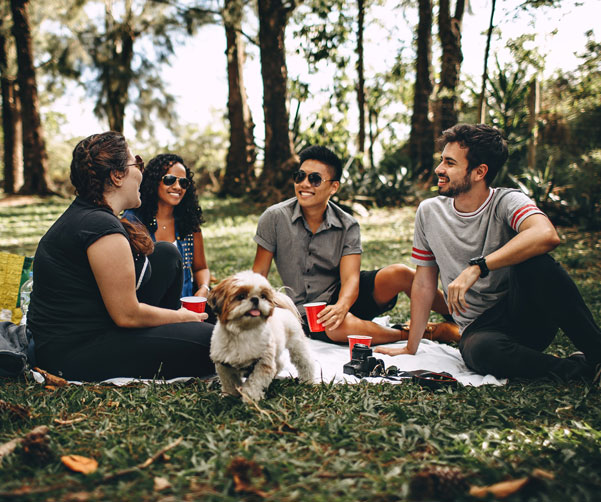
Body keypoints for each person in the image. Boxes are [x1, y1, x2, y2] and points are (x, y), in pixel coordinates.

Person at [376, 123, 601, 383]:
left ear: (479, 172)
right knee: (479, 352)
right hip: (480, 330)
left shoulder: (507, 201)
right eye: (442, 161)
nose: (439, 169)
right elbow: (424, 282)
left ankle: (597, 354)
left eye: (450, 163)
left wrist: (478, 267)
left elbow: (546, 234)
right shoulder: (429, 212)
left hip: (525, 314)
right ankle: (580, 371)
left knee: (537, 264)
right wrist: (410, 347)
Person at [27, 132, 214, 381]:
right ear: (117, 176)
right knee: (215, 342)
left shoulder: (93, 215)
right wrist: (181, 316)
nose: (141, 171)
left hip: (98, 326)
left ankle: (177, 332)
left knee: (166, 254)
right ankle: (181, 332)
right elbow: (127, 315)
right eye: (136, 163)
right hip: (74, 350)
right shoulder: (99, 227)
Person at [252, 145, 458, 345]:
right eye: (300, 176)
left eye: (314, 179)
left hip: (345, 295)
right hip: (308, 312)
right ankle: (426, 333)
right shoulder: (274, 218)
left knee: (400, 273)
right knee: (337, 327)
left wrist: (342, 306)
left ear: (333, 187)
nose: (304, 184)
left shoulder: (347, 224)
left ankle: (459, 317)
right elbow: (258, 274)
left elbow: (351, 279)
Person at [124, 154, 210, 299]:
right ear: (154, 181)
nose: (177, 187)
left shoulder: (189, 222)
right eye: (170, 180)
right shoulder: (133, 221)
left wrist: (204, 288)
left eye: (183, 183)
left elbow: (201, 268)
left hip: (187, 308)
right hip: (148, 309)